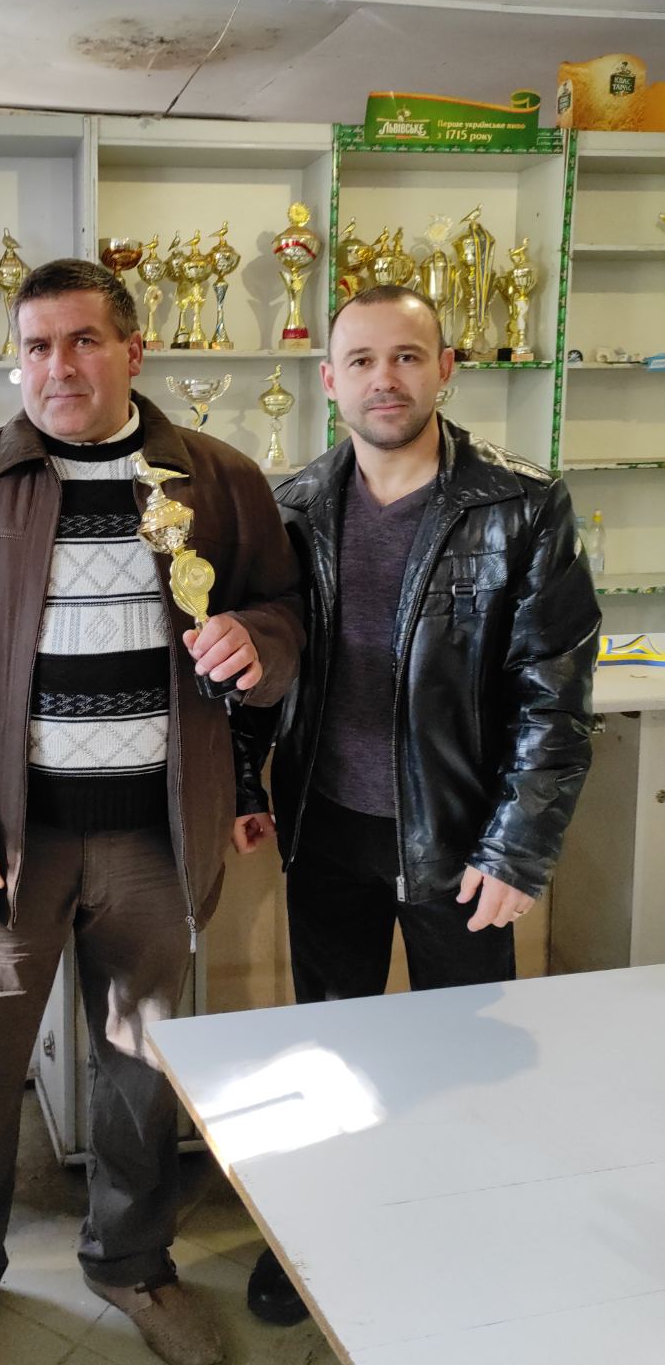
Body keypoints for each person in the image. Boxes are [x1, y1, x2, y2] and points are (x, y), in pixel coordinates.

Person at [0, 257, 304, 1365]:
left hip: (157, 835)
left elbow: (281, 609)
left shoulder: (218, 477)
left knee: (141, 1066)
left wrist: (258, 641)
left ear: (132, 351)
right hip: (5, 841)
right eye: (36, 346)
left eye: (82, 341)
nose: (57, 366)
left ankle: (133, 1261)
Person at [236, 285, 600, 1327]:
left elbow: (553, 698)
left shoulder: (522, 505)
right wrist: (249, 777)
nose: (383, 379)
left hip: (459, 841)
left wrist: (516, 850)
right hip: (326, 829)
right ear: (329, 379)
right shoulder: (292, 503)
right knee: (330, 1048)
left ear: (446, 368)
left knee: (463, 1054)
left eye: (406, 356)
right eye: (360, 360)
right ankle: (317, 1233)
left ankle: (463, 1231)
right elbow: (265, 659)